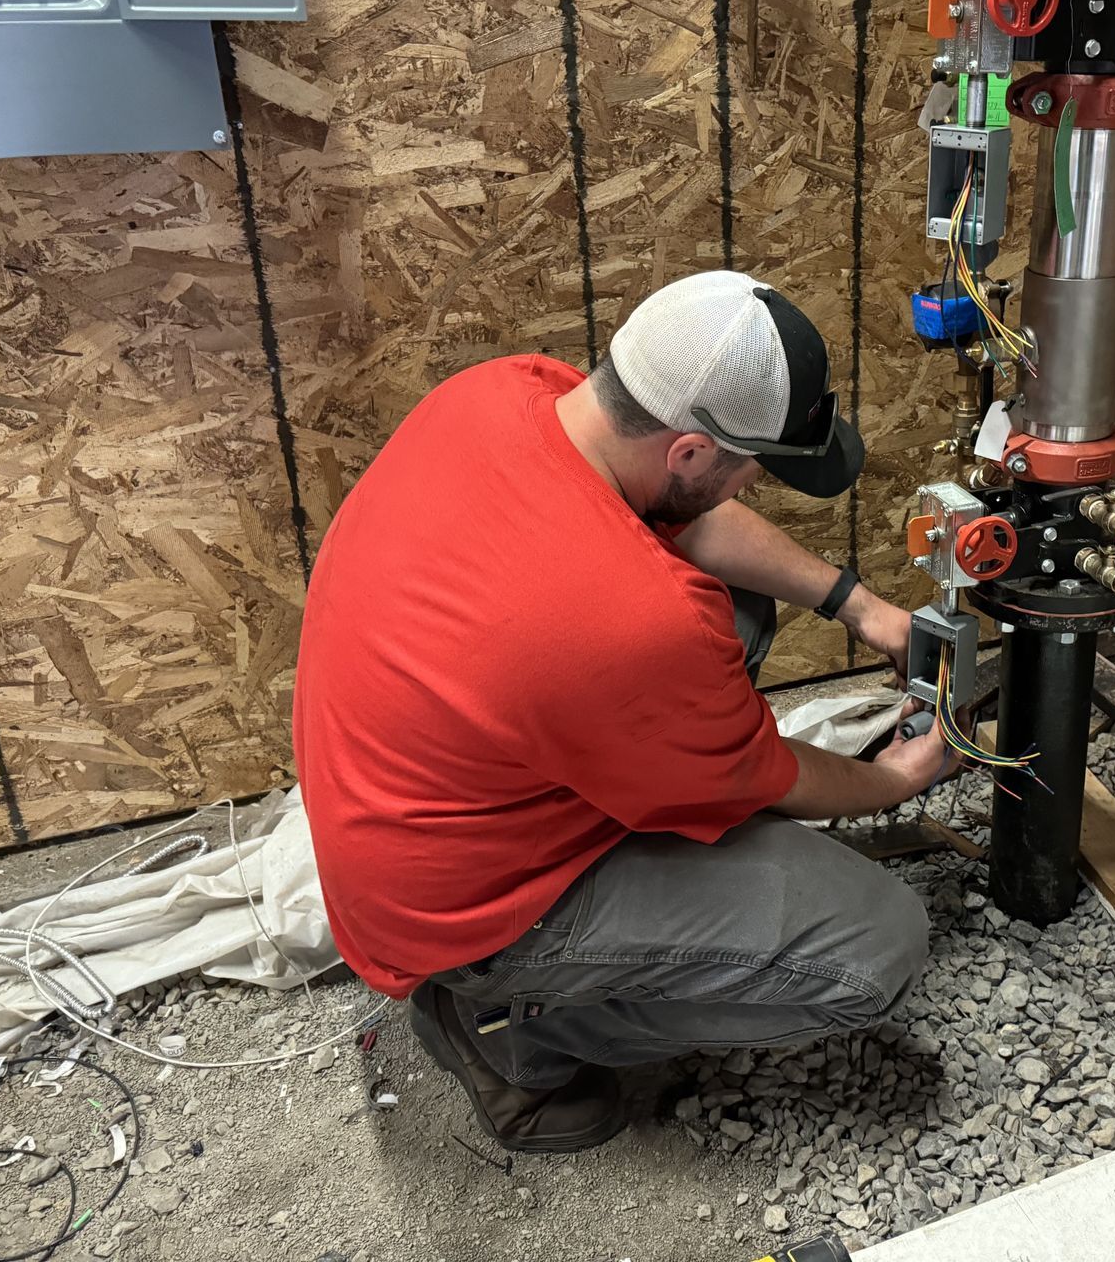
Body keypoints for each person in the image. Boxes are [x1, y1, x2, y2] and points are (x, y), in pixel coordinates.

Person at [294, 271, 956, 1154]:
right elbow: (772, 776)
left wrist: (858, 606)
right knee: (877, 947)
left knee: (732, 605)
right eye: (752, 466)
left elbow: (684, 523)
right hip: (456, 914)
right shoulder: (632, 622)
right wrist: (886, 780)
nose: (753, 484)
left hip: (415, 805)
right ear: (687, 452)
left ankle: (613, 857)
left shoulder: (510, 391)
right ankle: (508, 1027)